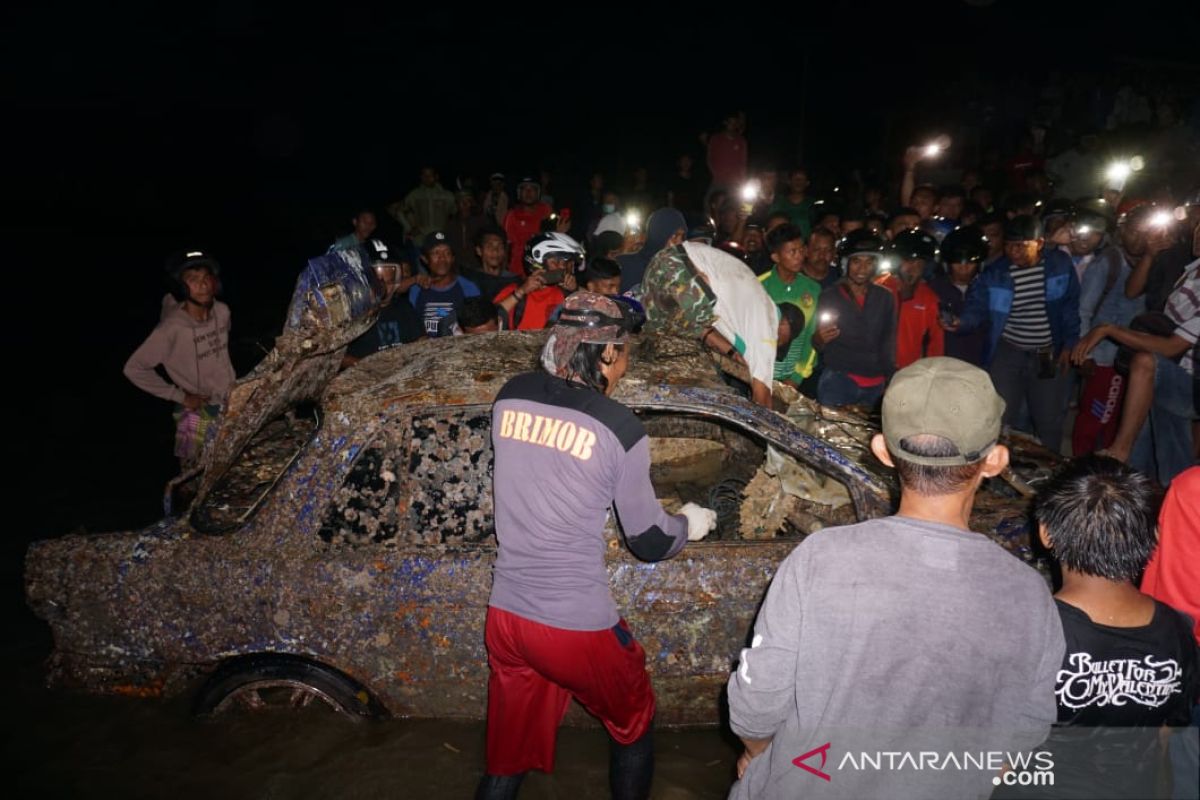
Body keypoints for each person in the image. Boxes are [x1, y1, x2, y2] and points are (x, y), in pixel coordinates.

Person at [727, 357, 1064, 799]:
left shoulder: (819, 559)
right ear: (995, 461)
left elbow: (756, 705)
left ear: (882, 450)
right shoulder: (1028, 594)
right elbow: (1024, 733)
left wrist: (758, 753)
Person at [476, 291, 717, 800]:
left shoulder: (509, 396)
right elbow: (648, 541)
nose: (627, 363)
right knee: (634, 722)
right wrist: (687, 525)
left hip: (506, 617)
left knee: (507, 749)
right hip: (573, 624)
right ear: (606, 353)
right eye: (626, 351)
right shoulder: (619, 426)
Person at [1018, 456, 1199, 800]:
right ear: (1156, 535)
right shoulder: (1178, 632)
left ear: (1045, 533)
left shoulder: (1030, 630)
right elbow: (1163, 738)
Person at [1070, 228, 1199, 484]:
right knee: (1159, 465)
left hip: (1187, 382)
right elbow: (1133, 291)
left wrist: (1108, 329)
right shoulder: (1189, 267)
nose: (1198, 235)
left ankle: (1120, 449)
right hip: (1167, 376)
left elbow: (1171, 346)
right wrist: (1150, 256)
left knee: (1145, 363)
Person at [955, 214, 1080, 452]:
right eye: (1009, 246)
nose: (1014, 252)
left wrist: (1069, 344)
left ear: (1040, 243)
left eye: (1022, 246)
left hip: (1046, 351)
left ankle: (1049, 472)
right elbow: (977, 308)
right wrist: (961, 323)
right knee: (1001, 414)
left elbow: (1069, 307)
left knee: (1048, 417)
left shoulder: (1059, 265)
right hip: (1009, 350)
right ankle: (1000, 470)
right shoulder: (996, 273)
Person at [124, 250, 237, 470]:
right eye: (193, 281)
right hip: (195, 410)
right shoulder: (171, 329)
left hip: (231, 402)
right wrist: (180, 396)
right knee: (191, 472)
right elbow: (134, 368)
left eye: (206, 278)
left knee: (232, 468)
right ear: (181, 288)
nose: (203, 286)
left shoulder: (223, 312)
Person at [640, 241, 779, 407]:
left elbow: (704, 330)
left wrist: (730, 351)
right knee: (693, 332)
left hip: (659, 264)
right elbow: (762, 398)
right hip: (678, 265)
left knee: (659, 335)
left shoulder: (752, 309)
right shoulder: (765, 340)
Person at [811, 230, 897, 408]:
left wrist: (890, 379)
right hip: (839, 380)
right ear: (845, 263)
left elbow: (888, 341)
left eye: (869, 262)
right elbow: (818, 343)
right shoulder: (830, 296)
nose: (862, 269)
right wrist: (820, 338)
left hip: (875, 385)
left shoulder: (885, 297)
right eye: (856, 261)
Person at [342, 239, 425, 367]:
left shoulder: (404, 307)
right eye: (378, 281)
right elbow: (337, 359)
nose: (386, 287)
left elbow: (421, 342)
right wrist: (367, 366)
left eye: (391, 280)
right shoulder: (352, 314)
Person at [759, 224, 820, 389]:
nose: (799, 256)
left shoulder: (813, 289)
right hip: (759, 377)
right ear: (776, 257)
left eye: (801, 250)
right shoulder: (758, 287)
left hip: (794, 380)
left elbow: (811, 336)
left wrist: (796, 377)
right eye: (792, 252)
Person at [875, 229, 944, 369]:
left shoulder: (930, 299)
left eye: (919, 263)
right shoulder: (877, 288)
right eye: (909, 262)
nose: (914, 268)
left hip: (908, 374)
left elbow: (936, 346)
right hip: (873, 370)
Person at [493, 232, 581, 330]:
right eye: (555, 262)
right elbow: (490, 322)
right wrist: (521, 292)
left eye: (565, 263)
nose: (562, 267)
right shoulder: (514, 290)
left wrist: (574, 291)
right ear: (537, 263)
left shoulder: (563, 293)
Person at [928, 225, 988, 366]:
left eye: (970, 262)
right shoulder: (933, 289)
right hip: (941, 364)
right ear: (946, 264)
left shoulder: (987, 288)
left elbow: (979, 312)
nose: (964, 267)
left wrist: (962, 323)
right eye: (958, 262)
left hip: (979, 365)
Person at [408, 231, 481, 337]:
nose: (442, 258)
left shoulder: (468, 288)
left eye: (447, 253)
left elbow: (477, 327)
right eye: (435, 253)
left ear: (453, 258)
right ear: (425, 259)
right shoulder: (416, 289)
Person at [616, 208, 687, 293]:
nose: (679, 243)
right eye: (674, 236)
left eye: (682, 237)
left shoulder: (681, 268)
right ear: (658, 235)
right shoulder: (624, 265)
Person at [503, 176, 553, 277]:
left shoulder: (546, 211)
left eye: (532, 189)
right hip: (517, 271)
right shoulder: (512, 215)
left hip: (543, 269)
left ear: (538, 192)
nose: (528, 192)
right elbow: (506, 245)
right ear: (519, 193)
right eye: (524, 189)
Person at [391, 166, 457, 241]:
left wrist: (451, 230)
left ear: (436, 177)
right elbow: (397, 211)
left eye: (430, 175)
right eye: (424, 175)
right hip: (420, 238)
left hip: (441, 236)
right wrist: (409, 228)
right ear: (421, 177)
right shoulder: (414, 195)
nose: (427, 178)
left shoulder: (447, 195)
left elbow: (457, 214)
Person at [461, 226, 521, 302]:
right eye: (489, 247)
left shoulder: (514, 282)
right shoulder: (470, 281)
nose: (495, 251)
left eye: (500, 246)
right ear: (479, 251)